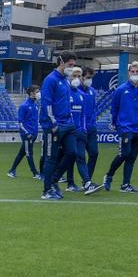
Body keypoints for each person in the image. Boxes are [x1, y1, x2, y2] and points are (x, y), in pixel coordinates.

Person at [104, 59, 138, 194]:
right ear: (129, 73)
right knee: (123, 154)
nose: (135, 73)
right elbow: (115, 108)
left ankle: (125, 184)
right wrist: (114, 123)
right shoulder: (120, 90)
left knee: (132, 157)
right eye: (133, 71)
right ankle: (109, 175)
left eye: (137, 71)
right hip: (125, 127)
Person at [38, 55, 81, 202]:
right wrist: (53, 123)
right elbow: (46, 103)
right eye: (70, 64)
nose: (72, 67)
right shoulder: (51, 80)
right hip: (54, 125)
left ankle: (54, 180)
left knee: (73, 153)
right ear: (61, 62)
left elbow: (66, 103)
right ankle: (46, 190)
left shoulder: (65, 81)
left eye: (74, 65)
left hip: (68, 124)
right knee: (51, 158)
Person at [74, 72, 103, 194]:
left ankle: (88, 180)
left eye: (90, 78)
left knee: (94, 153)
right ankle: (86, 182)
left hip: (91, 128)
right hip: (80, 128)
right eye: (87, 78)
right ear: (81, 78)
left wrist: (93, 123)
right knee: (80, 156)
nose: (89, 80)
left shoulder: (92, 91)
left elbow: (93, 109)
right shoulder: (75, 91)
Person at [9, 87, 40, 178]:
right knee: (29, 153)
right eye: (36, 92)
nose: (38, 93)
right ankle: (35, 173)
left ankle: (11, 170)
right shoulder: (24, 106)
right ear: (31, 93)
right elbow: (20, 123)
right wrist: (27, 133)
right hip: (27, 134)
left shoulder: (35, 105)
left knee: (22, 152)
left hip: (34, 133)